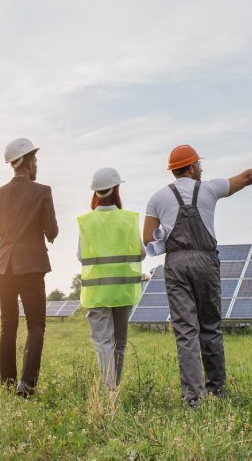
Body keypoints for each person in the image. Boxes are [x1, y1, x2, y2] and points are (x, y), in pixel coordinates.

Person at [143, 144, 252, 408]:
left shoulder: (157, 198)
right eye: (198, 164)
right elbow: (246, 177)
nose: (201, 168)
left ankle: (193, 400)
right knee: (210, 326)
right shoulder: (209, 189)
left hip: (176, 264)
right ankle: (217, 392)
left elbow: (147, 239)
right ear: (191, 167)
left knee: (186, 331)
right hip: (205, 261)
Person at [0, 137, 58, 398]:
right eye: (35, 160)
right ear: (27, 163)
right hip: (32, 266)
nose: (36, 165)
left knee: (8, 326)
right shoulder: (42, 192)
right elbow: (52, 231)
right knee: (36, 325)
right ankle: (26, 385)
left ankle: (7, 383)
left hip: (4, 268)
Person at [76, 167, 144, 392]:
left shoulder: (87, 222)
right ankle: (115, 385)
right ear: (116, 189)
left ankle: (109, 390)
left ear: (95, 192)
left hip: (96, 293)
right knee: (120, 342)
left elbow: (80, 256)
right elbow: (141, 253)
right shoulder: (129, 219)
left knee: (103, 342)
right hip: (123, 291)